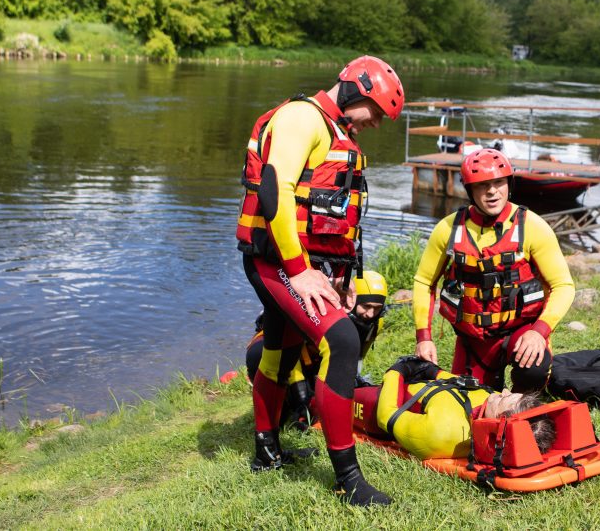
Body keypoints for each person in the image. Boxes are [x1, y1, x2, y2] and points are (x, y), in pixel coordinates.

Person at [237, 56, 404, 506]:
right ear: (356, 89)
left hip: (300, 263)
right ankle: (349, 481)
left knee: (282, 350)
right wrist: (298, 270)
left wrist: (342, 277)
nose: (377, 123)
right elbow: (275, 190)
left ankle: (266, 452)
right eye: (377, 111)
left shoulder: (334, 131)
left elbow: (334, 216)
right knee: (344, 341)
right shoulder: (301, 118)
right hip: (275, 260)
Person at [412, 148, 575, 392]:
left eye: (498, 182)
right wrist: (424, 337)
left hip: (520, 331)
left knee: (534, 369)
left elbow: (563, 285)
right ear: (470, 190)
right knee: (468, 401)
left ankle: (522, 401)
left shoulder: (532, 227)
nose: (491, 191)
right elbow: (425, 282)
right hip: (473, 340)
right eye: (482, 185)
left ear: (508, 184)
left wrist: (539, 332)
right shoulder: (448, 229)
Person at [244, 270, 390, 430]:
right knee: (261, 360)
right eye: (366, 306)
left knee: (319, 399)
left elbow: (357, 356)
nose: (370, 314)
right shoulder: (322, 307)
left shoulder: (375, 324)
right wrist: (300, 393)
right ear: (352, 299)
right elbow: (291, 350)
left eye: (377, 308)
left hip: (316, 358)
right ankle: (278, 412)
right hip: (284, 350)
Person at [373, 357, 555, 460]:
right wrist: (433, 371)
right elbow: (461, 386)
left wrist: (396, 371)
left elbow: (385, 416)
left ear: (495, 425)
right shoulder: (489, 406)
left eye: (503, 398)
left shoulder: (441, 433)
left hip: (381, 397)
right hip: (423, 382)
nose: (504, 390)